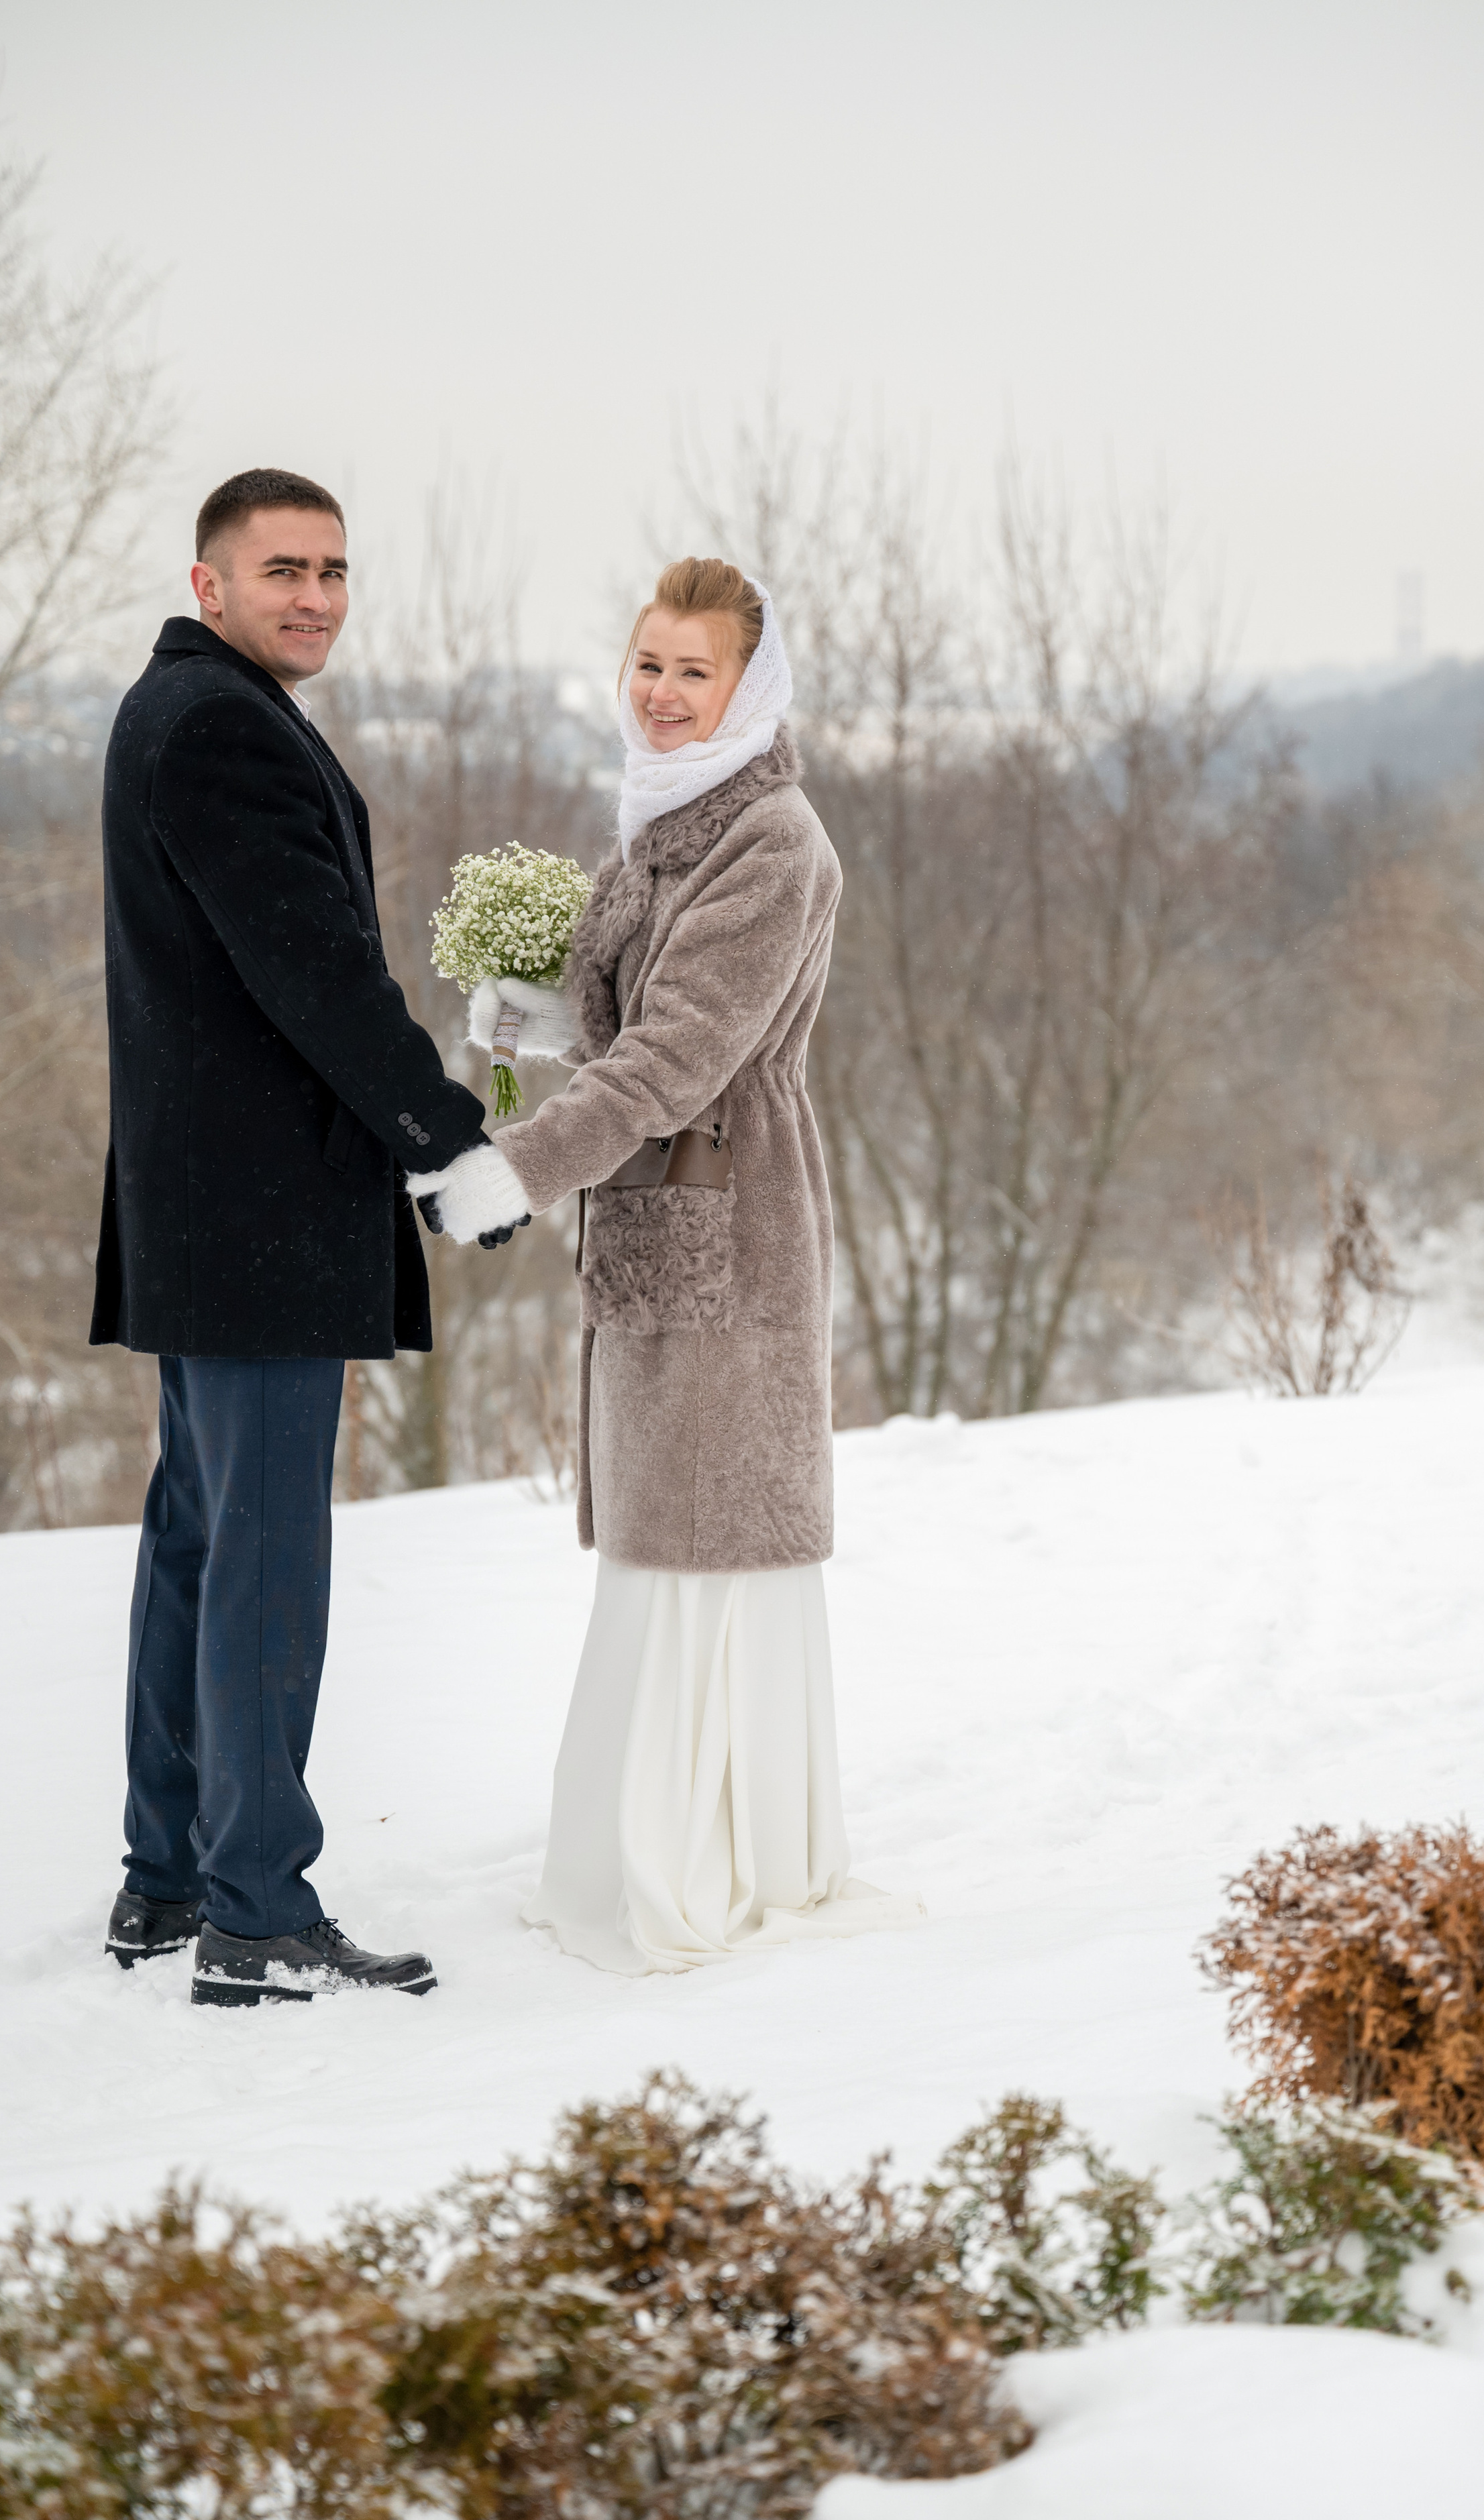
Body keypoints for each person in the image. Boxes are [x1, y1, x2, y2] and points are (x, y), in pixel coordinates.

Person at [415, 558, 921, 1972]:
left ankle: (711, 1857)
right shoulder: (659, 826)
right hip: (654, 1214)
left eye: (690, 671)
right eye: (646, 662)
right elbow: (633, 1022)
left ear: (747, 688)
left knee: (714, 1532)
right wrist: (541, 1010)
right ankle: (634, 1844)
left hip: (735, 1222)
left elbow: (685, 1054)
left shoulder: (772, 840)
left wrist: (517, 1164)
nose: (658, 690)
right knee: (660, 1537)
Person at [93, 467, 506, 2007]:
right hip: (258, 1222)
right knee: (259, 1566)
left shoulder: (181, 707)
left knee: (200, 1549)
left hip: (206, 1216)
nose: (315, 595)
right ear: (211, 581)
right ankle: (255, 1905)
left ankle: (168, 1876)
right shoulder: (217, 726)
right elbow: (316, 974)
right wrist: (447, 1136)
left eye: (333, 569)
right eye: (283, 569)